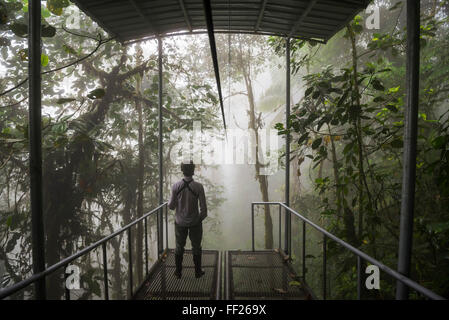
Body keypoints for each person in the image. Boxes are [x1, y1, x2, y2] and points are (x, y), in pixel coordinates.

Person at [168, 160, 207, 279]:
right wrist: (198, 219)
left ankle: (178, 272)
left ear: (182, 170)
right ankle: (198, 272)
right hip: (195, 222)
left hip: (180, 222)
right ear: (193, 170)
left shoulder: (176, 186)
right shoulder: (199, 187)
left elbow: (171, 206)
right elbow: (204, 209)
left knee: (179, 246)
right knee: (196, 246)